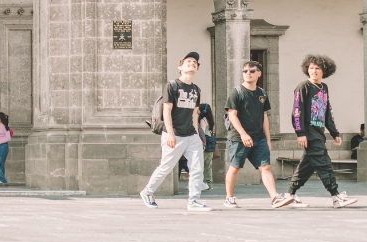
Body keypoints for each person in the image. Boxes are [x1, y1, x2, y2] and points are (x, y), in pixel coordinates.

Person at [274, 55, 358, 209]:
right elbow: (297, 111)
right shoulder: (303, 86)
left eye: (317, 68)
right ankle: (336, 196)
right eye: (311, 68)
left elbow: (327, 111)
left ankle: (290, 194)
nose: (313, 71)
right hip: (309, 134)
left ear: (324, 71)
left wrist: (335, 132)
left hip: (318, 133)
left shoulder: (324, 87)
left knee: (307, 166)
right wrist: (300, 133)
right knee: (324, 164)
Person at [139, 51, 209, 211]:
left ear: (197, 69)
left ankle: (194, 200)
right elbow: (166, 111)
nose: (192, 64)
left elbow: (194, 114)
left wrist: (198, 135)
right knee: (166, 166)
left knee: (197, 168)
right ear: (180, 66)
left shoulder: (196, 89)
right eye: (189, 61)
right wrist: (170, 133)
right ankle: (147, 191)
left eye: (195, 63)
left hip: (191, 135)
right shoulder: (172, 86)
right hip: (174, 134)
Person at [222, 60, 282, 208]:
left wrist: (268, 139)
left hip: (259, 137)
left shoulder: (262, 93)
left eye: (252, 71)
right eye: (245, 71)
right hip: (239, 138)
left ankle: (275, 198)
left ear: (259, 74)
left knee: (266, 167)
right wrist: (243, 134)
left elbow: (264, 117)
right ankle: (229, 198)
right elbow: (232, 115)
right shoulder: (237, 92)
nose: (248, 73)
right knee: (235, 167)